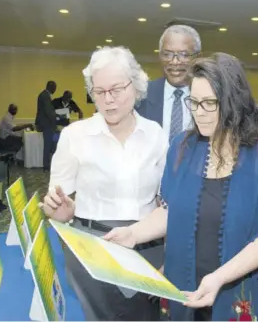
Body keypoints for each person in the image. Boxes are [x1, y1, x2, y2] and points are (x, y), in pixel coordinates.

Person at [105, 53, 258, 321]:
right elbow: (170, 210)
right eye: (193, 102)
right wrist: (134, 234)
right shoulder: (183, 147)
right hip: (185, 287)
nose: (199, 112)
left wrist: (219, 278)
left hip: (238, 291)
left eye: (209, 103)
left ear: (234, 102)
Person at [40, 46, 168, 321]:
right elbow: (58, 202)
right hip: (91, 246)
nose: (108, 100)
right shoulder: (75, 136)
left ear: (135, 86)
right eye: (99, 92)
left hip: (145, 246)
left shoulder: (156, 135)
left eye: (117, 90)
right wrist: (60, 211)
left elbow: (167, 202)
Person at [136, 25, 201, 140]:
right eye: (167, 54)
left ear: (197, 57)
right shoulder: (141, 95)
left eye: (184, 55)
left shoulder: (211, 97)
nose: (175, 62)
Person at [34, 80, 58, 170]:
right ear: (50, 87)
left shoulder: (43, 94)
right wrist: (56, 119)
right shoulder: (45, 96)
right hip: (48, 125)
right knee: (48, 145)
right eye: (54, 88)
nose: (55, 90)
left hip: (45, 124)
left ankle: (48, 164)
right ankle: (47, 165)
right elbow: (49, 112)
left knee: (51, 144)